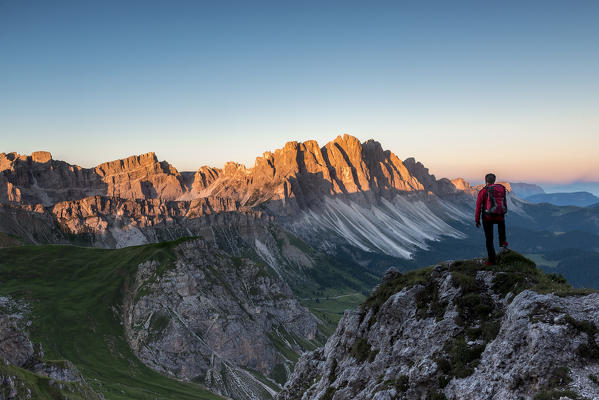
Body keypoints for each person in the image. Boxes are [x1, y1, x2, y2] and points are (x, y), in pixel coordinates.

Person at [475, 173, 508, 265]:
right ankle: (503, 242)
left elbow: (478, 207)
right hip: (500, 216)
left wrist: (477, 220)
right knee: (501, 225)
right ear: (494, 180)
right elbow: (503, 203)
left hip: (487, 218)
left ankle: (491, 260)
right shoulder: (501, 189)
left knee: (489, 239)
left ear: (486, 180)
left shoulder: (483, 191)